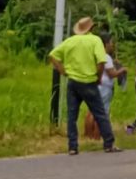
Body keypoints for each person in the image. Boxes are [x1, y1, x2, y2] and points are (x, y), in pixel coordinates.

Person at [49, 17, 122, 155]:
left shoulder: (70, 41)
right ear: (91, 28)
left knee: (72, 115)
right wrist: (98, 78)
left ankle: (72, 146)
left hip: (73, 82)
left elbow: (53, 55)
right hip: (89, 81)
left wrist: (63, 71)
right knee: (100, 113)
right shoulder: (95, 40)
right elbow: (101, 62)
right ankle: (108, 143)